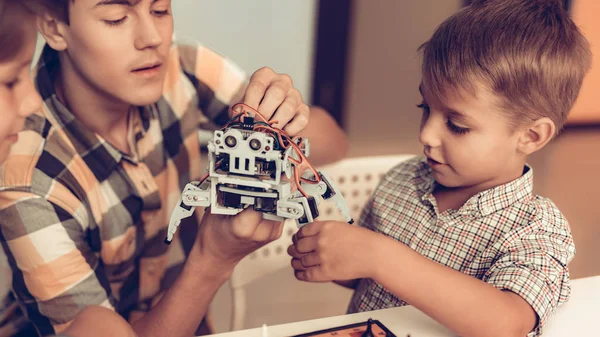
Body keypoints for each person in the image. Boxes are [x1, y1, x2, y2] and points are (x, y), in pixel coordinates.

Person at [0, 0, 348, 336]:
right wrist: (212, 260)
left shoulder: (184, 69)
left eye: (160, 9)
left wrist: (285, 111)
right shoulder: (28, 185)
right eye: (117, 17)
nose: (152, 37)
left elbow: (334, 142)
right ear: (53, 27)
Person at [288, 1, 591, 336]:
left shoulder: (537, 229)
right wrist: (338, 258)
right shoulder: (401, 180)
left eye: (457, 125)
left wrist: (379, 256)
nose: (426, 134)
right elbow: (371, 281)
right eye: (425, 108)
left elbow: (506, 323)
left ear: (531, 136)